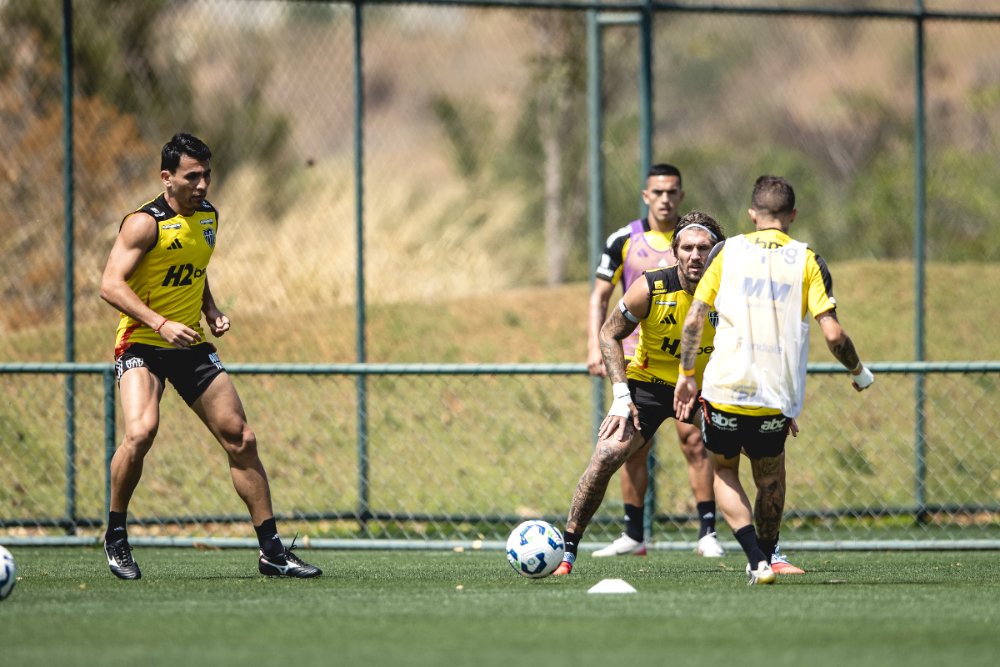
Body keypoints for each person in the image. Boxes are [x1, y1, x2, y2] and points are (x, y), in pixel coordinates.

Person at [98, 133, 321, 580]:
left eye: (207, 176)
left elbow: (193, 270)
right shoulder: (143, 224)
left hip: (189, 343)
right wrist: (160, 323)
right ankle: (116, 536)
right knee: (141, 432)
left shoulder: (207, 217)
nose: (201, 185)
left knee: (241, 438)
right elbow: (110, 285)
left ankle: (272, 552)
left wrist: (211, 309)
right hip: (142, 342)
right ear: (167, 178)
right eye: (192, 177)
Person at [674, 176, 875, 585]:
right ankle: (767, 555)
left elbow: (695, 319)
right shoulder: (808, 260)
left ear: (752, 214)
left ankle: (757, 561)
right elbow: (834, 335)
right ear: (793, 215)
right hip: (774, 396)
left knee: (724, 471)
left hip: (725, 389)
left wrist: (686, 375)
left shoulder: (727, 251)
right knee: (770, 478)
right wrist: (859, 372)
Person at [555, 212, 727, 575]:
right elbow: (608, 333)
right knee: (607, 454)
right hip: (647, 386)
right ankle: (566, 551)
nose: (696, 255)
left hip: (705, 387)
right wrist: (621, 397)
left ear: (717, 252)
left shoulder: (732, 291)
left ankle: (760, 551)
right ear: (675, 251)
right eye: (687, 248)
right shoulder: (652, 286)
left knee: (761, 451)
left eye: (704, 248)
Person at [587, 164, 724, 559]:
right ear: (646, 195)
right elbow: (600, 296)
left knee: (695, 440)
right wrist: (594, 346)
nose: (665, 199)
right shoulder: (624, 239)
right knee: (631, 448)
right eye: (657, 192)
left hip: (691, 358)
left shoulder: (702, 242)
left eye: (672, 192)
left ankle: (707, 533)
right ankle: (634, 534)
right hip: (636, 358)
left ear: (681, 196)